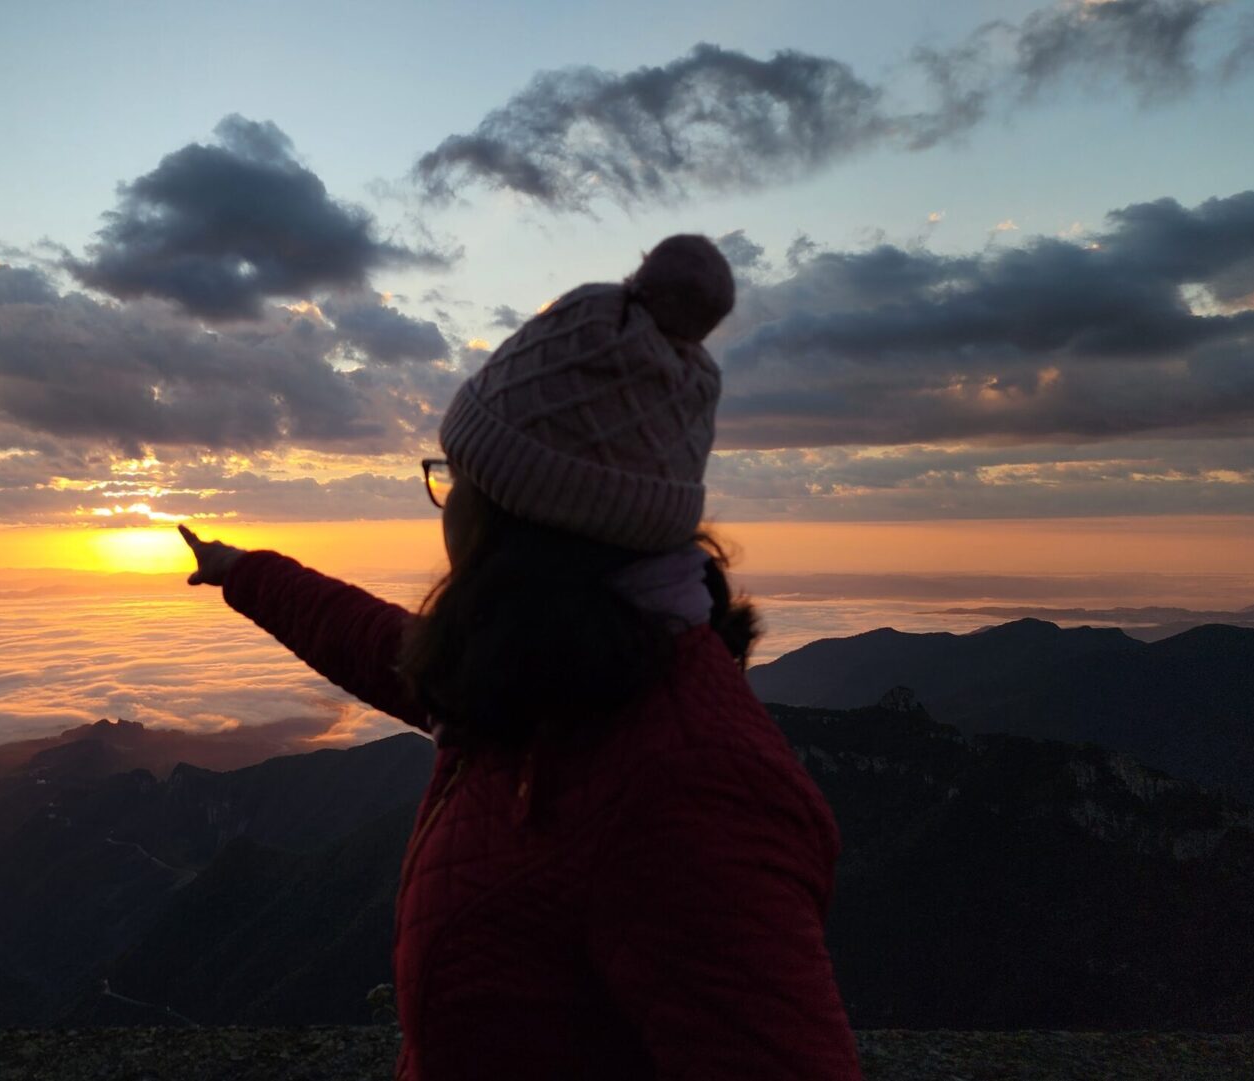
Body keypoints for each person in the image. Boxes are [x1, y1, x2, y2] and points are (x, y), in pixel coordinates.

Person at [178, 235, 860, 1079]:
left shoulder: (695, 789)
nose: (445, 504)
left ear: (523, 514)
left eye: (458, 476)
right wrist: (245, 573)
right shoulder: (552, 674)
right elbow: (389, 651)